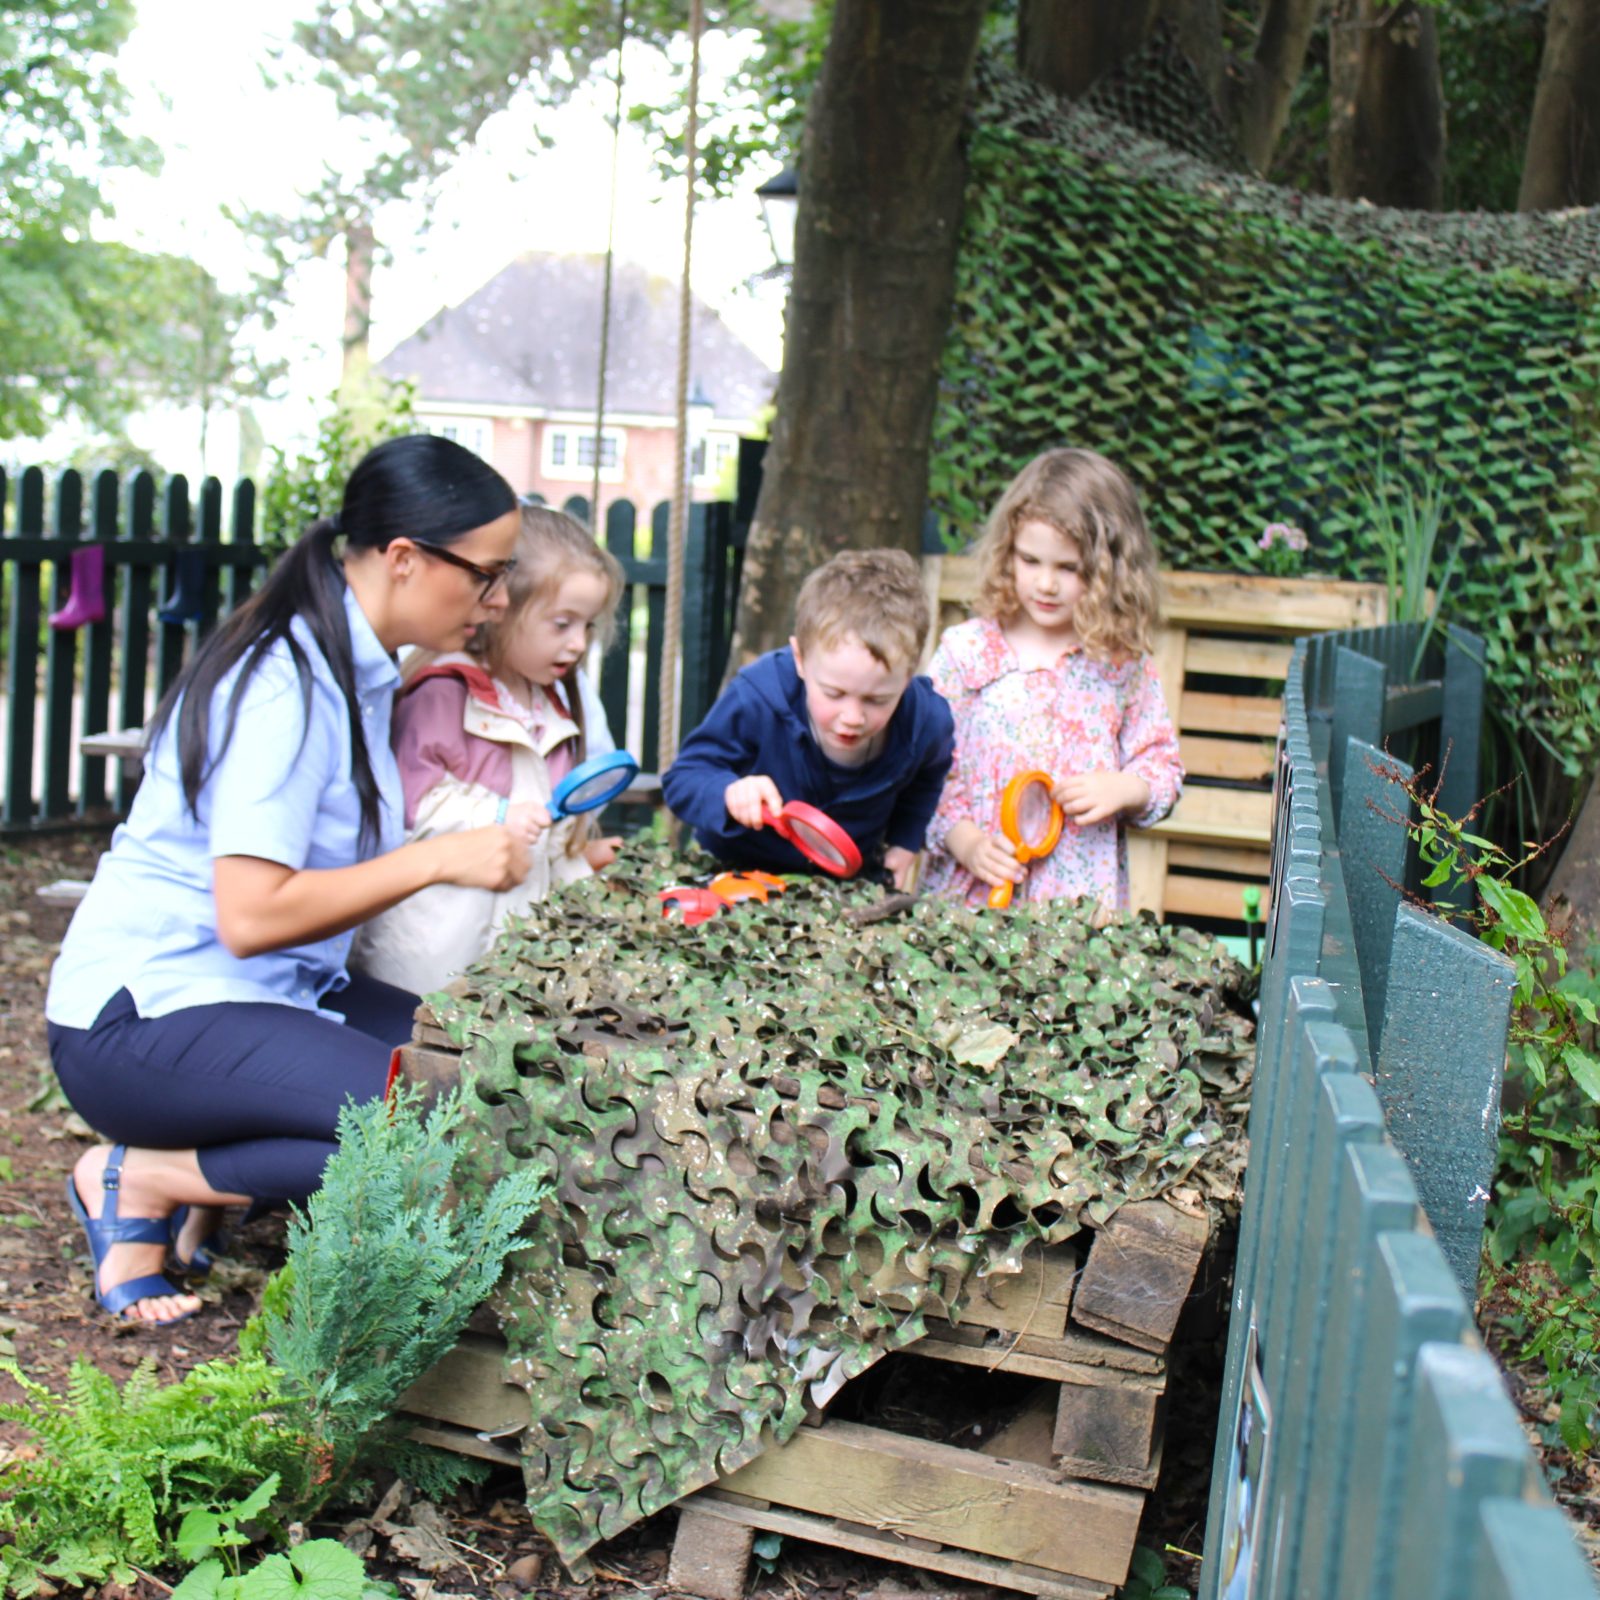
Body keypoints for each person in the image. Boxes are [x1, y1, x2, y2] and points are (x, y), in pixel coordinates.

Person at [45, 435, 531, 1326]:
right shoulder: (284, 683)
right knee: (425, 1130)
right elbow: (251, 913)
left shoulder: (358, 673)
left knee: (497, 1087)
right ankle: (143, 1175)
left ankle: (202, 1176)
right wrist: (440, 857)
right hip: (140, 1022)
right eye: (486, 575)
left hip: (269, 995)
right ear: (403, 559)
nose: (497, 601)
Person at [353, 505, 626, 994]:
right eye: (562, 623)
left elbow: (547, 825)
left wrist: (580, 862)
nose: (579, 643)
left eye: (587, 626)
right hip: (430, 958)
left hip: (507, 953)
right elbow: (408, 806)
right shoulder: (445, 693)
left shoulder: (553, 702)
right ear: (502, 611)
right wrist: (497, 811)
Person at [922, 447, 1183, 912]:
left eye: (1069, 568)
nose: (1046, 584)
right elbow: (927, 769)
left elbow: (1161, 766)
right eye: (1030, 560)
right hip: (973, 900)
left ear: (1110, 571)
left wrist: (1125, 788)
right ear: (1007, 553)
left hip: (1078, 909)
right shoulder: (967, 653)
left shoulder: (1119, 664)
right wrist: (967, 844)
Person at [663, 548, 954, 887]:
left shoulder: (926, 722)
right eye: (834, 693)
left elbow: (928, 776)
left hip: (847, 883)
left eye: (877, 700)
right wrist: (727, 792)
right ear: (800, 659)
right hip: (736, 872)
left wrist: (905, 841)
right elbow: (683, 779)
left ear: (907, 676)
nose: (852, 717)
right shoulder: (757, 697)